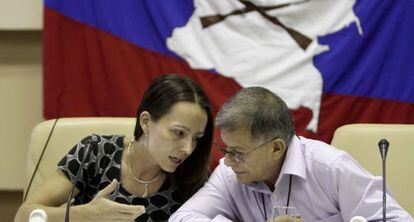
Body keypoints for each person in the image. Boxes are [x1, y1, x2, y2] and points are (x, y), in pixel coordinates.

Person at [169, 87, 414, 222]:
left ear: (276, 148)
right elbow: (182, 218)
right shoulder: (228, 173)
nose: (228, 161)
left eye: (238, 153)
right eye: (225, 150)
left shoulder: (329, 167)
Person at [15, 74, 214, 222]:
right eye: (178, 133)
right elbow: (24, 215)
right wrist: (83, 215)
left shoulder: (193, 175)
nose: (188, 149)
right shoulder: (96, 151)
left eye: (196, 138)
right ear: (145, 122)